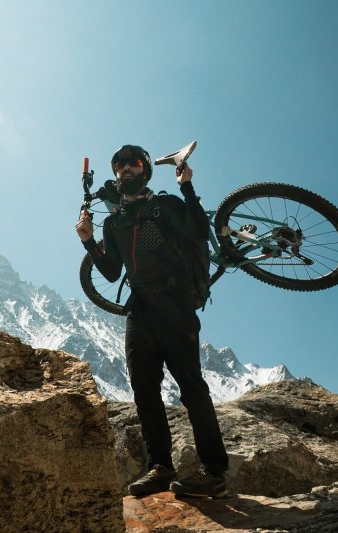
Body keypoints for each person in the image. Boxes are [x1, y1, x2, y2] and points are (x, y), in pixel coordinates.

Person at [75, 144, 230, 498]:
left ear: (145, 170)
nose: (125, 168)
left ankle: (215, 473)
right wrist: (88, 242)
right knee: (144, 391)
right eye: (119, 165)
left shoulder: (166, 205)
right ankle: (160, 467)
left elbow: (198, 228)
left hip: (176, 303)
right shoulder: (113, 223)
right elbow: (112, 273)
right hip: (139, 308)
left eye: (133, 163)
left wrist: (187, 187)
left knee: (192, 388)